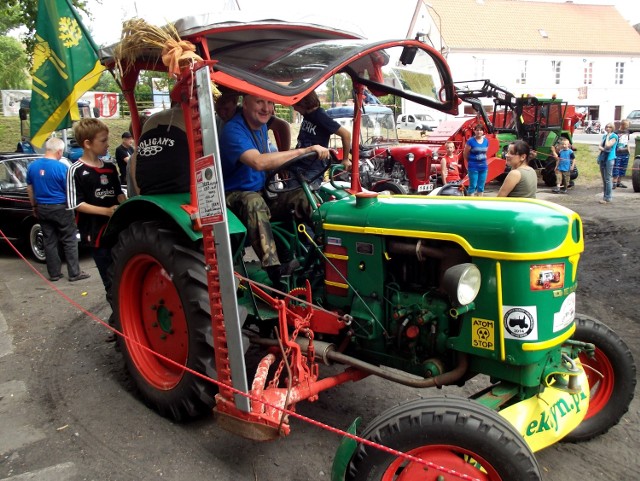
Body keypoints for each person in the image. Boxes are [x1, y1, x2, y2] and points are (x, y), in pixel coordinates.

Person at [219, 94, 330, 285]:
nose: (266, 108)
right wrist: (303, 150)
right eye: (260, 101)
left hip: (262, 190)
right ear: (245, 104)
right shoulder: (233, 130)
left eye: (270, 102)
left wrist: (283, 163)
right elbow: (258, 162)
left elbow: (282, 126)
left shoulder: (261, 122)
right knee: (253, 202)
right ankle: (276, 271)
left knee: (302, 196)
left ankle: (327, 252)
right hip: (232, 197)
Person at [67, 119, 125, 333]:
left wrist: (125, 205)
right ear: (88, 143)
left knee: (123, 277)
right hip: (96, 234)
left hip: (119, 231)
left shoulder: (110, 167)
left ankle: (120, 318)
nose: (108, 144)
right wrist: (106, 211)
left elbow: (118, 193)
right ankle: (119, 326)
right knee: (110, 281)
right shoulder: (76, 170)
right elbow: (76, 204)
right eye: (103, 140)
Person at [26, 137, 89, 282]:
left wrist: (34, 205)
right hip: (61, 207)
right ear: (59, 151)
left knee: (49, 240)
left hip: (42, 207)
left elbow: (30, 188)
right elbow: (70, 190)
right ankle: (74, 272)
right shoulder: (62, 168)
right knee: (69, 239)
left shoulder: (33, 166)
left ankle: (54, 273)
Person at [130, 104, 190, 196]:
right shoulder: (192, 117)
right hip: (182, 188)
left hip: (146, 190)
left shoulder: (152, 119)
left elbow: (135, 156)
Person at [293, 90, 352, 184]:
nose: (294, 109)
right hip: (300, 163)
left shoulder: (320, 116)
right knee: (290, 194)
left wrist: (345, 159)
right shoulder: (307, 115)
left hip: (313, 167)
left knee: (306, 195)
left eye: (295, 106)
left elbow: (346, 134)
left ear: (303, 104)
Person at [463, 124, 489, 196]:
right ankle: (470, 203)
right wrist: (470, 161)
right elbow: (465, 153)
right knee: (473, 186)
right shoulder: (470, 141)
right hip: (473, 166)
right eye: (477, 130)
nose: (479, 132)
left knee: (481, 187)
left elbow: (485, 152)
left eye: (480, 130)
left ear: (483, 131)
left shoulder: (486, 141)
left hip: (483, 167)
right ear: (474, 131)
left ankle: (480, 202)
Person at [597, 122, 618, 204]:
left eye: (609, 127)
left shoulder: (614, 136)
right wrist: (602, 150)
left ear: (612, 128)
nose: (608, 128)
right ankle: (605, 196)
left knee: (608, 179)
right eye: (606, 127)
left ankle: (608, 197)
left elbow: (608, 145)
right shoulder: (604, 136)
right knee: (604, 179)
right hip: (603, 158)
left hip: (609, 159)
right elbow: (600, 146)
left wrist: (609, 136)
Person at [613, 119, 630, 188]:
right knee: (616, 167)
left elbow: (627, 142)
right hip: (618, 152)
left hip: (625, 152)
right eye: (627, 125)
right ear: (622, 125)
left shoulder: (627, 132)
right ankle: (614, 182)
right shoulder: (616, 133)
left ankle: (619, 182)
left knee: (623, 167)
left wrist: (629, 150)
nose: (627, 127)